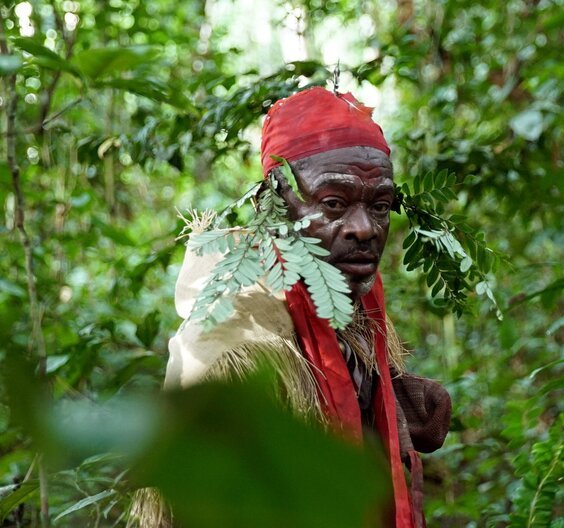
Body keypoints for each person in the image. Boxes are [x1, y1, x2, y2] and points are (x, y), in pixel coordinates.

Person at [131, 87, 451, 528]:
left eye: (379, 206)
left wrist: (393, 400)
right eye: (334, 204)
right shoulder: (234, 339)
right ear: (276, 203)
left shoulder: (351, 300)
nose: (364, 229)